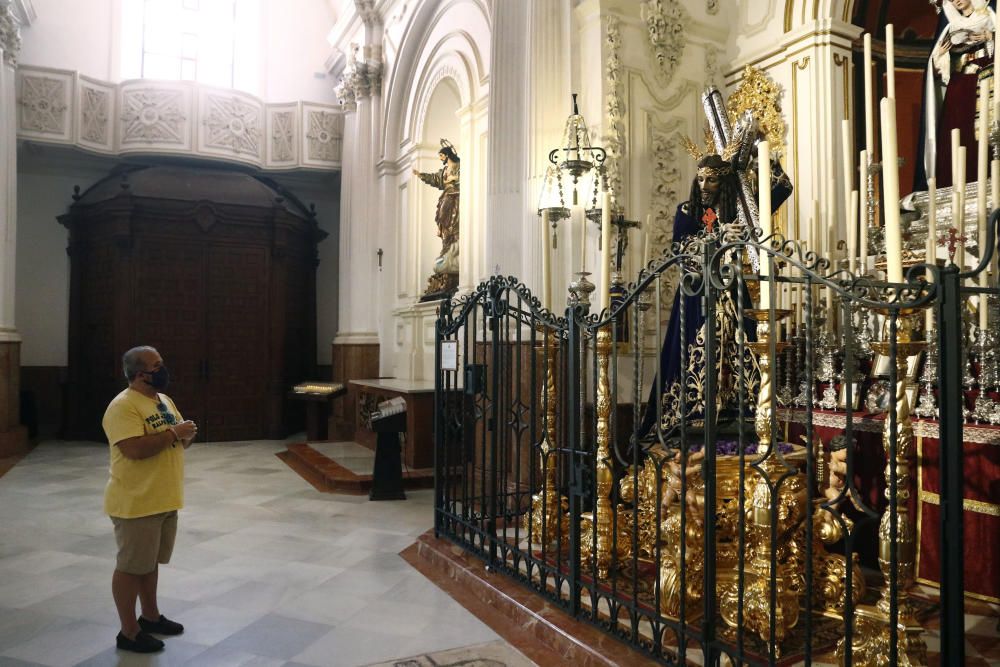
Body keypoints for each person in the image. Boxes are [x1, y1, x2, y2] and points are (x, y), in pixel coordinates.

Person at [636, 151, 792, 443]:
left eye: (712, 180)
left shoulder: (740, 209)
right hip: (698, 293)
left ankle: (739, 414)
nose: (705, 185)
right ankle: (692, 415)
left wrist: (762, 153)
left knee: (738, 345)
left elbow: (782, 187)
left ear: (725, 183)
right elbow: (682, 248)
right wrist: (720, 235)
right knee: (697, 349)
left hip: (732, 288)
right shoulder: (688, 211)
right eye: (701, 179)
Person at [103, 346, 197, 653]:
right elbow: (133, 449)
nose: (163, 369)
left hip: (164, 498)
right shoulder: (123, 406)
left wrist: (184, 434)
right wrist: (174, 433)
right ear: (141, 373)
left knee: (149, 563)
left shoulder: (163, 400)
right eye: (157, 365)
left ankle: (151, 616)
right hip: (136, 501)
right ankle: (128, 632)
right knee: (131, 567)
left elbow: (177, 436)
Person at [921, 0, 997, 188]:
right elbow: (936, 73)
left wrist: (991, 37)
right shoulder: (950, 27)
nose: (957, 0)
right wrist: (939, 55)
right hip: (959, 88)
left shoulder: (989, 16)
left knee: (985, 139)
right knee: (956, 137)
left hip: (987, 83)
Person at [412, 139, 460, 297]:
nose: (440, 158)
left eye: (441, 155)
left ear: (447, 155)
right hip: (446, 196)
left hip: (456, 198)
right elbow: (436, 179)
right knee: (441, 219)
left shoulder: (459, 166)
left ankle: (451, 250)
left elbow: (464, 179)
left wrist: (454, 181)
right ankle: (446, 244)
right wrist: (421, 175)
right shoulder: (445, 170)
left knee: (450, 221)